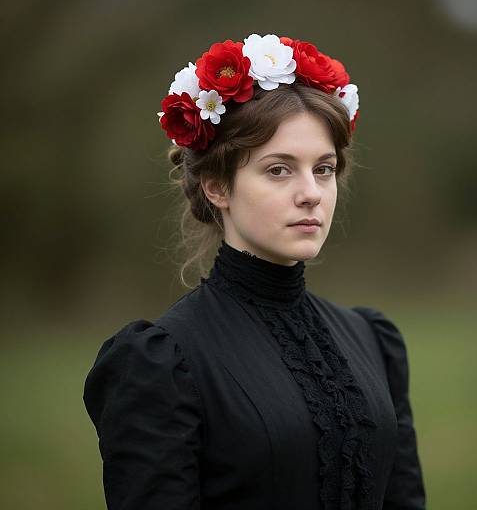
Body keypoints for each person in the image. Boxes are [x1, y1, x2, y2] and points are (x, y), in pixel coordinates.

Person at [83, 33, 426, 510]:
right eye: (279, 170)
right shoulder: (161, 362)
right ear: (217, 187)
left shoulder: (371, 339)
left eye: (323, 169)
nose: (311, 193)